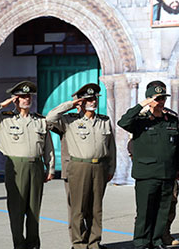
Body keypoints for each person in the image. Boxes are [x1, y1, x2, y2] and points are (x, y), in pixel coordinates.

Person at [0, 81, 54, 249]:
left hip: (36, 166)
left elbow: (48, 146)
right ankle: (19, 245)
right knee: (17, 210)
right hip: (16, 167)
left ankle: (33, 245)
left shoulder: (40, 121)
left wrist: (50, 167)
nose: (26, 99)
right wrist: (1, 104)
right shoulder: (3, 119)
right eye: (22, 97)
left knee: (34, 210)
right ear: (15, 100)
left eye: (29, 96)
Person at [46, 83, 116, 249]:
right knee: (78, 208)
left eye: (94, 99)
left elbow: (111, 147)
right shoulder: (70, 121)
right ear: (81, 102)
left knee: (96, 208)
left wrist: (111, 168)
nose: (93, 102)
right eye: (89, 99)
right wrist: (72, 104)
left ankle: (94, 243)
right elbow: (49, 118)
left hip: (100, 167)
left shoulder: (104, 121)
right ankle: (79, 244)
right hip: (78, 167)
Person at [118, 81, 179, 249]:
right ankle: (141, 242)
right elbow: (123, 122)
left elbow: (176, 146)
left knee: (163, 211)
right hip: (147, 173)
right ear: (149, 99)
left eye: (163, 98)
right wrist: (143, 104)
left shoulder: (171, 119)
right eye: (157, 98)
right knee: (145, 211)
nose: (161, 102)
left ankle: (156, 240)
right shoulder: (140, 120)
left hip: (167, 173)